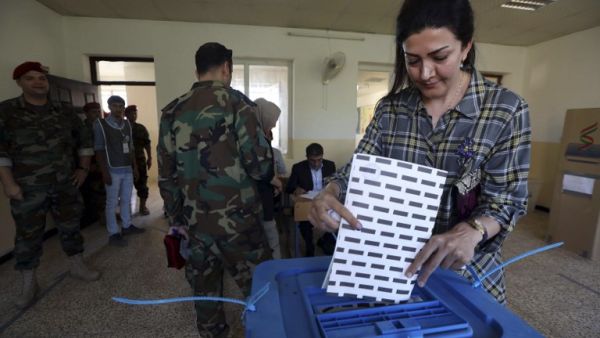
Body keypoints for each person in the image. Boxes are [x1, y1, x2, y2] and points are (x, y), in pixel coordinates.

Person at [309, 0, 530, 305]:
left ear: (466, 47)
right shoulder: (391, 110)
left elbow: (508, 199)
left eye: (440, 57)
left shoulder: (505, 111)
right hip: (392, 270)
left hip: (467, 275)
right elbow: (358, 169)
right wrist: (329, 191)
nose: (425, 73)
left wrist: (474, 230)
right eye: (412, 60)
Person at [158, 42, 273, 337]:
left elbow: (166, 176)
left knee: (205, 295)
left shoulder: (172, 111)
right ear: (226, 67)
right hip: (240, 222)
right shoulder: (240, 104)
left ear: (197, 69)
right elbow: (260, 167)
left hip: (194, 224)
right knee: (260, 289)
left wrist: (176, 221)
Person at [0, 61, 101, 309]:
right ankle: (28, 282)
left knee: (71, 226)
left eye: (41, 78)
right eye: (30, 78)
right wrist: (8, 183)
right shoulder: (7, 112)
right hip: (27, 187)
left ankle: (77, 265)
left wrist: (84, 168)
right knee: (27, 235)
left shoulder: (64, 111)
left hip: (65, 183)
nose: (38, 82)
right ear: (19, 83)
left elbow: (85, 140)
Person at [93, 95, 144, 247]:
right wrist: (104, 172)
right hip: (112, 169)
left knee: (127, 199)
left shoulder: (127, 124)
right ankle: (113, 233)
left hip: (127, 169)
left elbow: (132, 147)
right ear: (109, 107)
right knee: (112, 202)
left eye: (121, 106)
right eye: (115, 106)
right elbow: (99, 149)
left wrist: (134, 167)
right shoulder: (101, 124)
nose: (118, 109)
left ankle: (127, 226)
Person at [286, 143, 336, 256]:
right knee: (305, 222)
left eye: (319, 160)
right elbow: (288, 187)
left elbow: (334, 183)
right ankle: (309, 245)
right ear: (307, 157)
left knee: (336, 218)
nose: (316, 163)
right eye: (312, 160)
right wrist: (296, 189)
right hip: (307, 203)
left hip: (325, 202)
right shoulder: (298, 167)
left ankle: (325, 240)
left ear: (322, 156)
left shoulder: (330, 165)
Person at [254, 98, 284, 259]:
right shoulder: (255, 138)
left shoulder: (260, 134)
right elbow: (259, 168)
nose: (274, 125)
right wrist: (277, 182)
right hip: (258, 196)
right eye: (272, 121)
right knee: (270, 236)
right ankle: (274, 269)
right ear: (264, 117)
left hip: (264, 193)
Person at [79, 102, 106, 227]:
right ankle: (100, 216)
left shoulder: (102, 126)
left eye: (98, 111)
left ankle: (106, 213)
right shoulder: (82, 128)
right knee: (95, 191)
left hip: (104, 163)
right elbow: (81, 148)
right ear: (86, 113)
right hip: (90, 165)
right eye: (93, 112)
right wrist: (89, 164)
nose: (97, 114)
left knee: (105, 190)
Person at [124, 105, 152, 216]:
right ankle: (125, 209)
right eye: (131, 113)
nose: (134, 115)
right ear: (126, 115)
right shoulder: (121, 128)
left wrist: (150, 158)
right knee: (125, 186)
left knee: (142, 183)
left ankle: (142, 206)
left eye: (135, 113)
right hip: (124, 162)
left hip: (140, 160)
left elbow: (147, 144)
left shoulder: (141, 128)